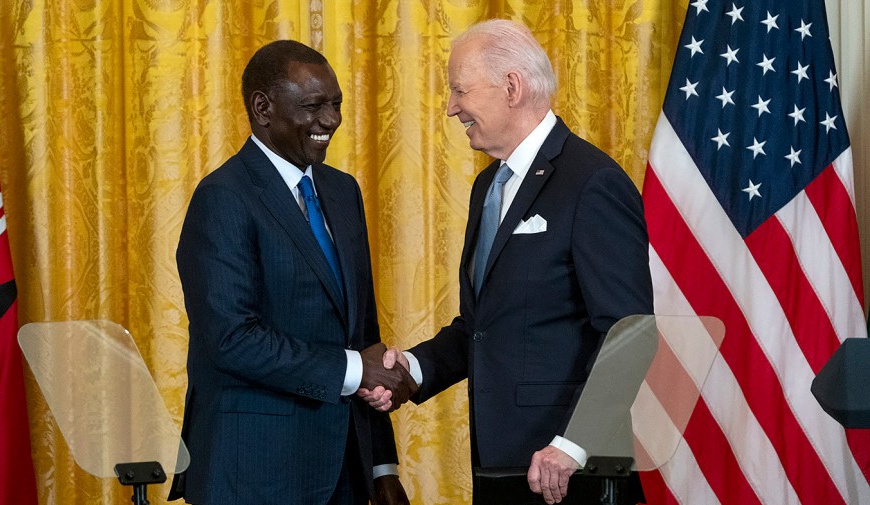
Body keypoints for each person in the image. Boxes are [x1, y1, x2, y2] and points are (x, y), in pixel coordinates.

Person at [358, 19, 653, 505]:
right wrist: (411, 369)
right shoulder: (487, 187)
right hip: (501, 469)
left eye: (459, 90)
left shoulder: (591, 182)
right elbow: (483, 326)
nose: (452, 107)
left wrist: (572, 446)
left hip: (568, 473)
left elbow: (632, 332)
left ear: (511, 87)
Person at [170, 40, 415, 505]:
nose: (331, 120)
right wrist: (352, 370)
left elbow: (364, 336)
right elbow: (231, 339)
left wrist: (381, 467)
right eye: (314, 106)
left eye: (337, 104)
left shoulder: (343, 192)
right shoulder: (223, 197)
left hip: (345, 471)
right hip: (253, 473)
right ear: (262, 108)